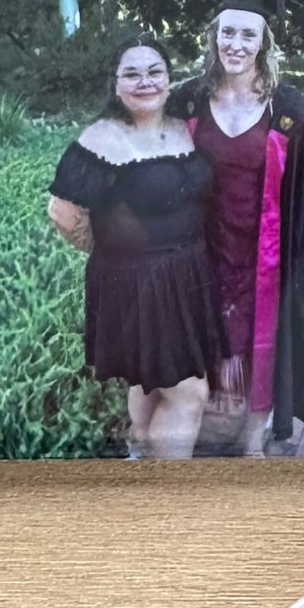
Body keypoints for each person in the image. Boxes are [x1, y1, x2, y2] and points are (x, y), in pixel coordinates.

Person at [166, 0, 304, 457]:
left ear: (264, 43)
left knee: (262, 349)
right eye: (228, 33)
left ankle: (251, 443)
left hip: (266, 257)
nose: (235, 45)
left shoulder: (293, 112)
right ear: (214, 37)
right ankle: (203, 427)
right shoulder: (187, 99)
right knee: (206, 344)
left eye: (248, 35)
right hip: (201, 254)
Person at [48, 36, 228, 459]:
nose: (144, 81)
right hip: (136, 282)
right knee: (190, 393)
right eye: (131, 73)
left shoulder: (182, 127)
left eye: (154, 71)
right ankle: (167, 499)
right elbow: (63, 211)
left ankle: (140, 455)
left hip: (187, 276)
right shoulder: (101, 138)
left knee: (149, 380)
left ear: (169, 79)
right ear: (115, 84)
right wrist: (105, 248)